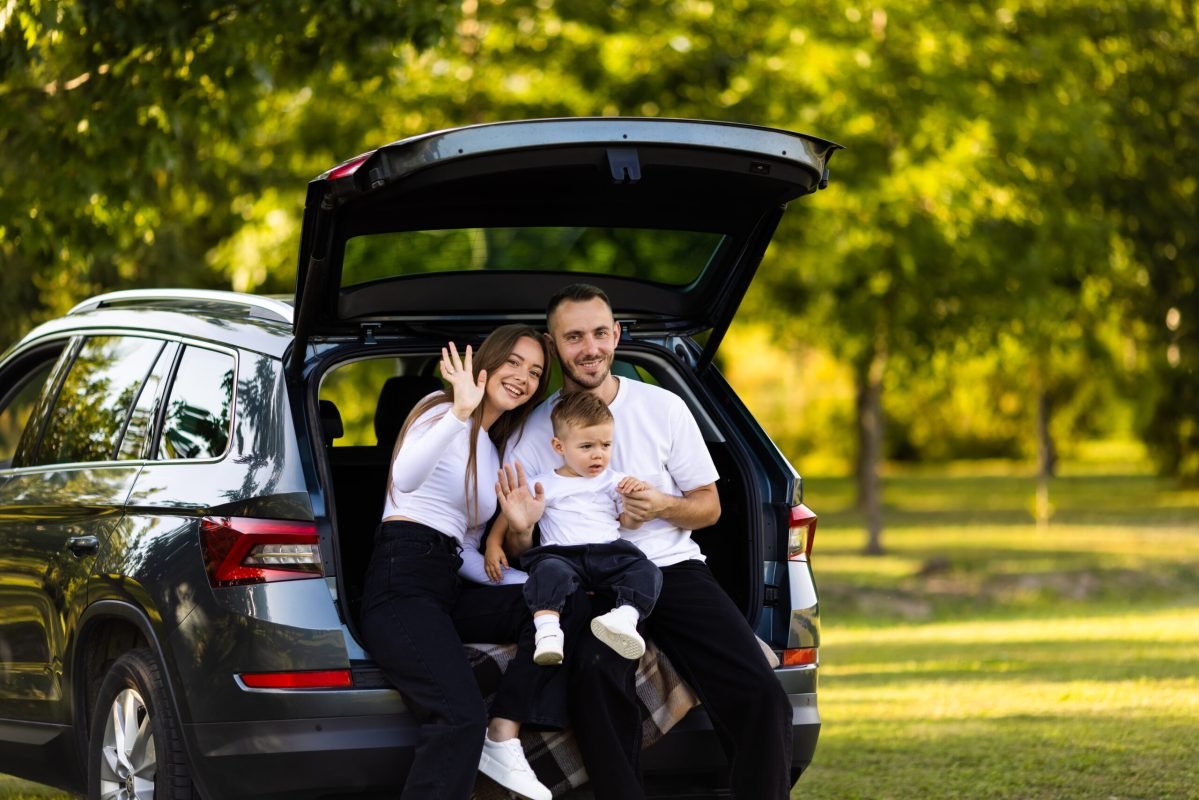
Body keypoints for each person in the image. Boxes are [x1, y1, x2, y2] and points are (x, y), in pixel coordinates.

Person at [498, 284, 794, 800]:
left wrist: (661, 505)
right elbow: (526, 547)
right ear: (553, 345)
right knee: (594, 681)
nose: (589, 347)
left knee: (763, 697)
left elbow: (710, 507)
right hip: (587, 581)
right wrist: (521, 529)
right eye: (573, 337)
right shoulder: (535, 430)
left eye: (598, 333)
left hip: (671, 567)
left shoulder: (665, 408)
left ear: (615, 334)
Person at [357, 325, 555, 800]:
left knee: (552, 602)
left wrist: (527, 575)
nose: (522, 378)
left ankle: (504, 737)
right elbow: (404, 478)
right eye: (513, 363)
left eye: (534, 372)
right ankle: (484, 737)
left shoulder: (491, 451)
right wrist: (460, 411)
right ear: (487, 361)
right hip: (401, 579)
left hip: (447, 584)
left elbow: (465, 551)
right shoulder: (438, 409)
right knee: (459, 715)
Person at [488, 390, 661, 666]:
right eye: (586, 447)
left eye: (606, 445)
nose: (598, 455)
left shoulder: (615, 481)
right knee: (546, 573)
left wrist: (634, 507)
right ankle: (547, 632)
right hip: (562, 556)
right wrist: (493, 543)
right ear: (559, 447)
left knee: (646, 570)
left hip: (608, 554)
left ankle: (624, 617)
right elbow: (510, 514)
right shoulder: (544, 483)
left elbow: (627, 523)